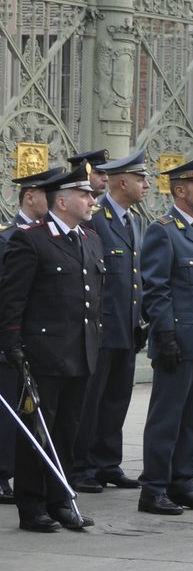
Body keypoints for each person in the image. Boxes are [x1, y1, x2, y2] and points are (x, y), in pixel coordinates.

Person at [0, 162, 104, 532]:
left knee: (68, 431)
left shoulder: (90, 239)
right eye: (84, 194)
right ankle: (32, 506)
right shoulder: (31, 239)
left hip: (81, 351)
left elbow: (94, 298)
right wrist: (12, 343)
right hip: (43, 353)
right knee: (39, 430)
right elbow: (13, 299)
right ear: (62, 201)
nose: (92, 200)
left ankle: (62, 499)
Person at [138, 154, 193, 516]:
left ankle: (182, 483)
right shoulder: (162, 229)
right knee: (167, 418)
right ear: (180, 190)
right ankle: (154, 488)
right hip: (178, 341)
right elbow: (156, 288)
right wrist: (166, 335)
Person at [73, 151, 149, 494]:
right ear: (122, 182)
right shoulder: (95, 217)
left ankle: (107, 462)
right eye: (140, 179)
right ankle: (81, 465)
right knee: (91, 399)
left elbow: (134, 276)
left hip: (126, 324)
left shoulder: (133, 220)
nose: (146, 185)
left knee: (117, 398)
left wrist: (140, 318)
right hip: (99, 327)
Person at [0, 169, 55, 507]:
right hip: (11, 339)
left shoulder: (47, 235)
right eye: (47, 194)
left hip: (38, 339)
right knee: (9, 414)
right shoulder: (11, 236)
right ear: (29, 196)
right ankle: (2, 474)